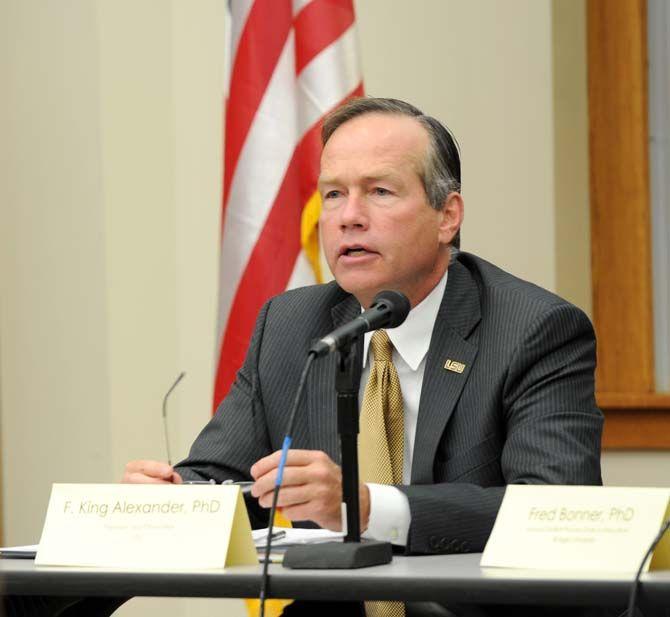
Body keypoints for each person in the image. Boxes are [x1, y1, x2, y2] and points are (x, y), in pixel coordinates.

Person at [124, 97, 604, 615]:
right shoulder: (290, 326)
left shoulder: (535, 328)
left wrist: (368, 506)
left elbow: (556, 511)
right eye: (333, 194)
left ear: (448, 215)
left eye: (378, 191)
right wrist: (178, 498)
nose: (349, 217)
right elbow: (225, 476)